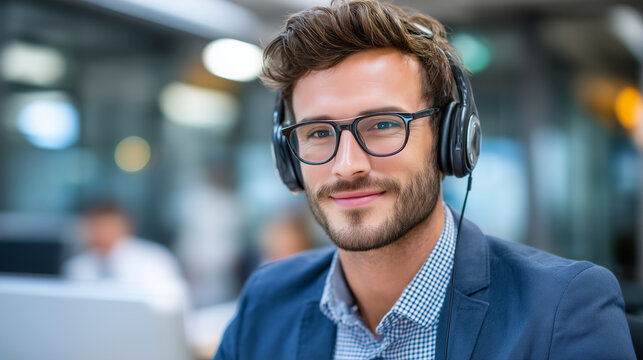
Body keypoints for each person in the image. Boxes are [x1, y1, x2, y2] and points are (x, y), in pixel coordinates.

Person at [214, 1, 636, 359]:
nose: (346, 166)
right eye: (319, 133)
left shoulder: (564, 308)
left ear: (451, 140)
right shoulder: (265, 304)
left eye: (382, 124)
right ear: (289, 158)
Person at [62, 202, 187, 303]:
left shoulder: (154, 260)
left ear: (126, 227)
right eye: (96, 227)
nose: (102, 233)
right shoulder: (77, 267)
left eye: (108, 226)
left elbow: (174, 303)